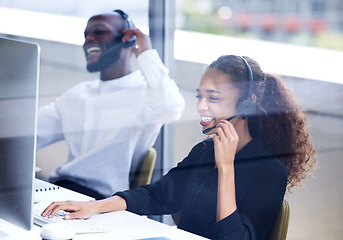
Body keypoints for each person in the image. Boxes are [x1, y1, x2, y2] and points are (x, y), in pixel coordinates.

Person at [42, 55, 317, 239]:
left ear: (247, 104)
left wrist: (226, 168)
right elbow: (158, 195)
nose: (201, 106)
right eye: (200, 96)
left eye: (213, 98)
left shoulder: (270, 171)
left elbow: (234, 237)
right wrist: (96, 206)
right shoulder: (203, 152)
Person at [36, 10, 185, 200]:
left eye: (99, 32)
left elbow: (171, 107)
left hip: (103, 203)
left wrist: (146, 54)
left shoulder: (146, 94)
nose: (88, 39)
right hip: (60, 191)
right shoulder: (78, 94)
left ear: (128, 40)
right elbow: (31, 131)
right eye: (86, 35)